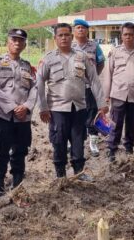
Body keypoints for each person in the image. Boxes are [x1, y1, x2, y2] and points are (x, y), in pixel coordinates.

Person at [37, 23, 107, 181]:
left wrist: (102, 104)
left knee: (78, 141)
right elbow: (39, 83)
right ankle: (60, 175)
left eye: (67, 35)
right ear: (55, 38)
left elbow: (94, 80)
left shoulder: (82, 56)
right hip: (57, 109)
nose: (64, 38)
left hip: (79, 108)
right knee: (59, 142)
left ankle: (79, 173)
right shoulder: (48, 59)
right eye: (60, 35)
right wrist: (43, 107)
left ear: (71, 36)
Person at [0, 28, 38, 199]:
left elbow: (34, 89)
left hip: (23, 119)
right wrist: (12, 107)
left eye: (20, 40)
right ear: (7, 42)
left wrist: (26, 107)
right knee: (0, 153)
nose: (17, 43)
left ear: (24, 44)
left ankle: (17, 186)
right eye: (13, 40)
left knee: (20, 152)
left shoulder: (28, 67)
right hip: (3, 117)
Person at [101, 22, 134, 162]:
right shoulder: (115, 52)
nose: (128, 37)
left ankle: (129, 148)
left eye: (131, 34)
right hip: (118, 93)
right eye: (125, 34)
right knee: (115, 122)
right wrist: (106, 95)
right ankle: (112, 149)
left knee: (132, 123)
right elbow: (108, 73)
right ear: (121, 36)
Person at [72, 19, 106, 158]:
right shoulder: (70, 45)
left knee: (93, 113)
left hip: (90, 87)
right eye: (78, 27)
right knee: (74, 115)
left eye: (83, 28)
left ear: (87, 30)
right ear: (74, 30)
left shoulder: (94, 46)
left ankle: (93, 143)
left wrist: (94, 77)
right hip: (74, 88)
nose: (80, 30)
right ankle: (73, 142)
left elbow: (101, 62)